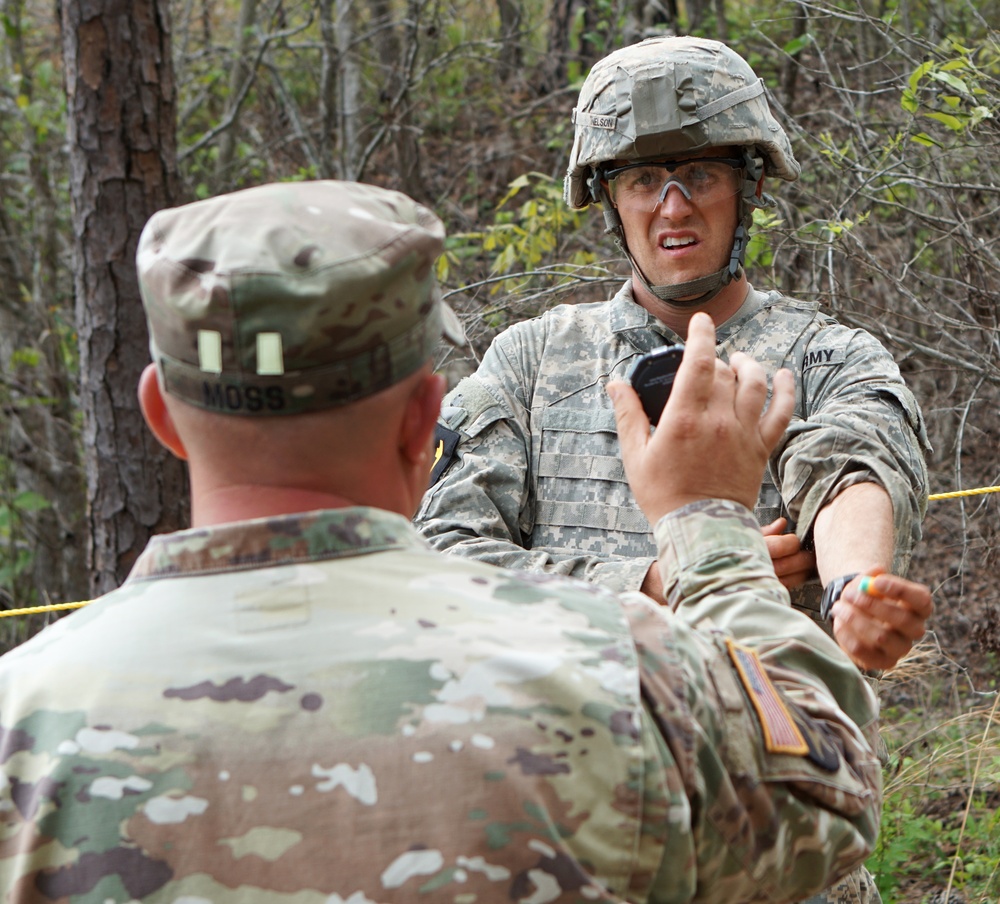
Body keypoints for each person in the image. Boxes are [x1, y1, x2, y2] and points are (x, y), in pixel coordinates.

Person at [0, 179, 914, 902]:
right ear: (423, 417)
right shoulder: (614, 676)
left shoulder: (20, 723)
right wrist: (708, 526)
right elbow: (823, 794)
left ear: (160, 414)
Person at [416, 35, 932, 678]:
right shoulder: (530, 361)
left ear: (751, 184)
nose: (673, 207)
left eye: (700, 174)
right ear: (610, 198)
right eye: (644, 180)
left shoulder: (829, 356)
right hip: (564, 745)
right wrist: (662, 578)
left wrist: (855, 590)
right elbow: (441, 557)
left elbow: (850, 465)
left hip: (760, 748)